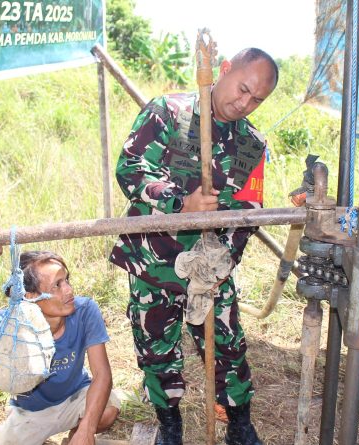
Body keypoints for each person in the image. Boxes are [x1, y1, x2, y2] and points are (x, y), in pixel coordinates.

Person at [109, 48, 278, 445]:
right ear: (223, 70)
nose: (244, 103)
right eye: (243, 89)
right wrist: (178, 203)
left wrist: (223, 260)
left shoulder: (251, 143)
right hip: (154, 261)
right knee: (156, 349)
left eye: (257, 99)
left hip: (208, 269)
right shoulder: (169, 112)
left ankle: (239, 424)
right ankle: (170, 426)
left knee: (228, 347)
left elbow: (249, 210)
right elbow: (131, 167)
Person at [0, 224, 120, 445]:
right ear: (30, 296)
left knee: (107, 410)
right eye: (57, 285)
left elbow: (102, 374)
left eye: (66, 280)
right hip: (32, 414)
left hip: (76, 397)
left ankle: (74, 436)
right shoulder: (14, 324)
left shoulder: (84, 311)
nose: (69, 290)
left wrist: (87, 430)